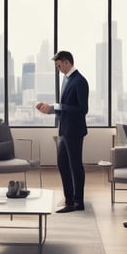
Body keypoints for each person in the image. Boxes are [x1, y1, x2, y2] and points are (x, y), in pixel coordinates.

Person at [36, 50, 89, 213]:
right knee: (63, 164)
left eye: (59, 66)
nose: (58, 69)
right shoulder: (67, 80)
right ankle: (69, 199)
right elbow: (65, 106)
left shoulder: (79, 81)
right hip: (64, 129)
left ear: (67, 62)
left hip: (74, 131)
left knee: (75, 166)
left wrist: (57, 106)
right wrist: (50, 109)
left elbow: (82, 109)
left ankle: (77, 202)